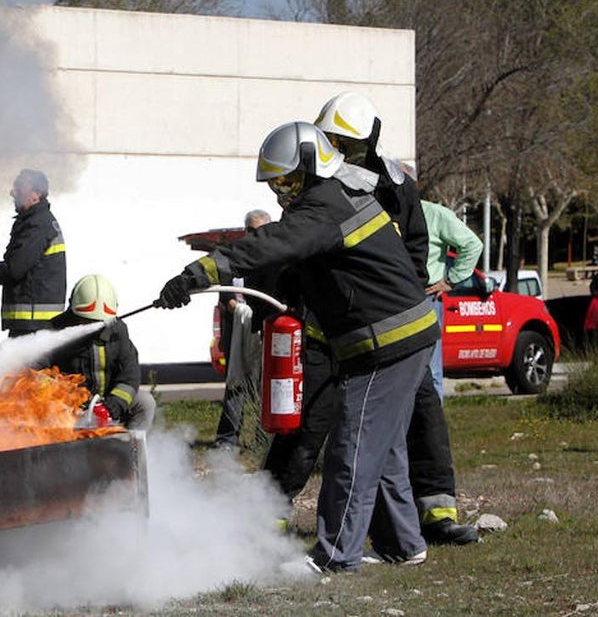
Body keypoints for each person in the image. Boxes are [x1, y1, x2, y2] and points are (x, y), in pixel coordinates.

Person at [156, 122, 439, 571]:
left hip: (390, 341)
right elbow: (292, 265)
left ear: (311, 169)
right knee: (383, 451)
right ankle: (405, 546)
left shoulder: (324, 205)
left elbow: (273, 244)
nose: (280, 193)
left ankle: (334, 557)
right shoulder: (329, 202)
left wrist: (201, 273)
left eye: (286, 180)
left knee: (352, 445)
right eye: (275, 184)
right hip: (399, 336)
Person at [317, 92, 480, 547]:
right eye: (332, 141)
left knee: (424, 414)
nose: (338, 151)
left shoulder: (395, 183)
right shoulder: (324, 186)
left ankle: (437, 513)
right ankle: (267, 512)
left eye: (345, 142)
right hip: (344, 324)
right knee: (320, 420)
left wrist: (408, 294)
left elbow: (414, 243)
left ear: (367, 140)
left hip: (397, 320)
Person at [0, 169, 66, 337]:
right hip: (33, 325)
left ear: (35, 194)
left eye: (19, 188)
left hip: (33, 327)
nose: (12, 192)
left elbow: (15, 269)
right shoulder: (35, 221)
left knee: (26, 365)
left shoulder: (37, 226)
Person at [41, 274, 155, 431]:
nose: (92, 326)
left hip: (106, 400)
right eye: (86, 320)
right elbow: (34, 372)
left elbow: (130, 375)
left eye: (98, 322)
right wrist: (63, 398)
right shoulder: (54, 332)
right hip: (65, 406)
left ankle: (132, 452)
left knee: (145, 402)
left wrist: (115, 403)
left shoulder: (118, 331)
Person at [212, 209, 272, 449]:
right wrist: (235, 307)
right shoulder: (234, 257)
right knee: (235, 384)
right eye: (250, 230)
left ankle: (263, 437)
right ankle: (228, 439)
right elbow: (223, 293)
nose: (254, 235)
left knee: (265, 385)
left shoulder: (273, 258)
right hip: (236, 327)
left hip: (263, 330)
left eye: (259, 231)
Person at [420, 199, 483, 398]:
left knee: (431, 372)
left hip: (427, 298)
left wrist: (451, 280)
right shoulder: (381, 210)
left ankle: (433, 428)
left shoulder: (434, 213)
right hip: (394, 300)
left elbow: (472, 245)